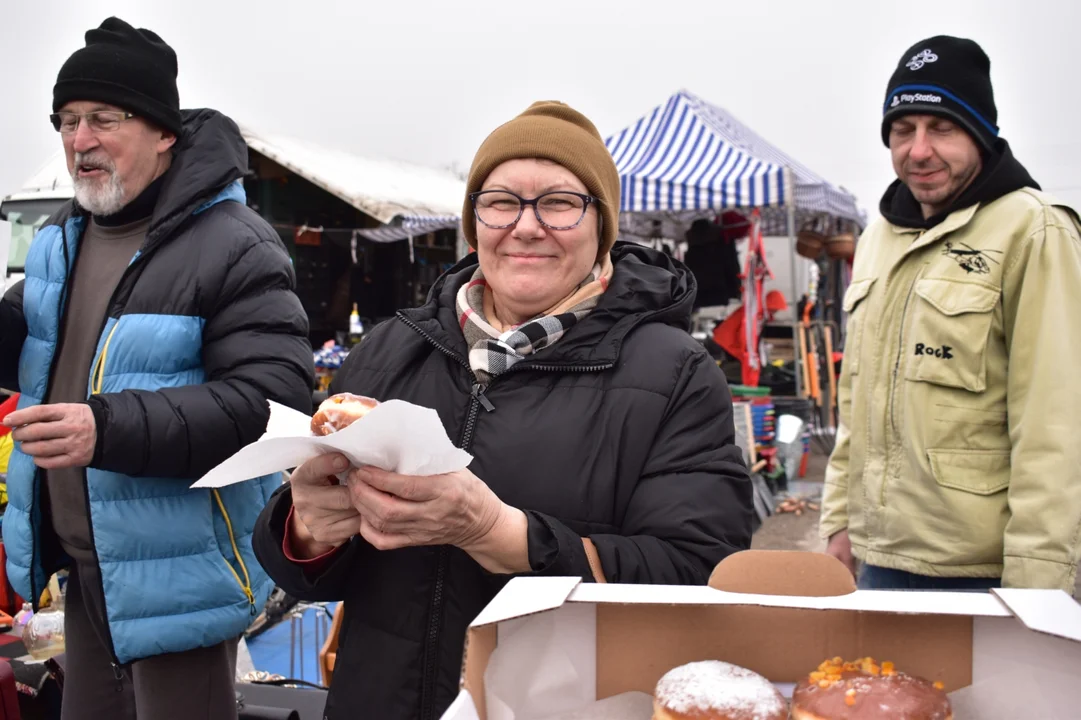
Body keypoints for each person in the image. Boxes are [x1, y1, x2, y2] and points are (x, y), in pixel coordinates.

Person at [253, 101, 752, 719]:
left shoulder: (675, 373)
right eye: (501, 201)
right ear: (474, 220)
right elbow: (304, 575)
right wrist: (305, 530)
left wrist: (502, 536)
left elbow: (702, 573)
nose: (526, 226)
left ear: (602, 226)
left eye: (561, 202)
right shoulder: (390, 347)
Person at [0, 17, 313, 720]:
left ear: (164, 131)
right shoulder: (58, 241)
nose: (80, 140)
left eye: (105, 118)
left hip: (180, 580)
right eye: (69, 120)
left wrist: (104, 430)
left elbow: (273, 406)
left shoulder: (234, 245)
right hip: (86, 576)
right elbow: (27, 341)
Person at [822, 35, 1081, 592]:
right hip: (879, 562)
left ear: (980, 135)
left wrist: (1038, 586)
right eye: (901, 129)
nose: (918, 150)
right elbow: (855, 407)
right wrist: (839, 521)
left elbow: (1056, 424)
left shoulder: (1033, 230)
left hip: (984, 572)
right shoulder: (878, 239)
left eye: (941, 127)